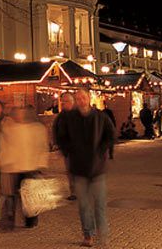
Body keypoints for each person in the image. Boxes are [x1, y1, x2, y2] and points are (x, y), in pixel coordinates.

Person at [59, 89, 115, 248]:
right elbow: (61, 136)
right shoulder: (70, 118)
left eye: (83, 97)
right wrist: (68, 151)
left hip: (97, 169)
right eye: (78, 98)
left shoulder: (100, 117)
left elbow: (110, 134)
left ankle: (103, 236)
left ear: (89, 98)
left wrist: (101, 149)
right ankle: (88, 235)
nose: (81, 101)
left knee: (100, 205)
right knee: (84, 205)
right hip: (79, 169)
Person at [0, 106, 49, 230]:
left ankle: (30, 219)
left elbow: (42, 146)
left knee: (29, 195)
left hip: (30, 166)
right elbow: (6, 146)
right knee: (15, 194)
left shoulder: (36, 129)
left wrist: (41, 162)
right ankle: (11, 219)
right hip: (15, 167)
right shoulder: (11, 129)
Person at [53, 93, 77, 200]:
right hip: (67, 149)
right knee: (70, 171)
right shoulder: (60, 116)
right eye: (62, 102)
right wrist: (57, 144)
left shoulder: (78, 115)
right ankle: (74, 192)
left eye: (65, 101)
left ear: (72, 102)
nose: (63, 104)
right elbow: (56, 130)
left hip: (79, 149)